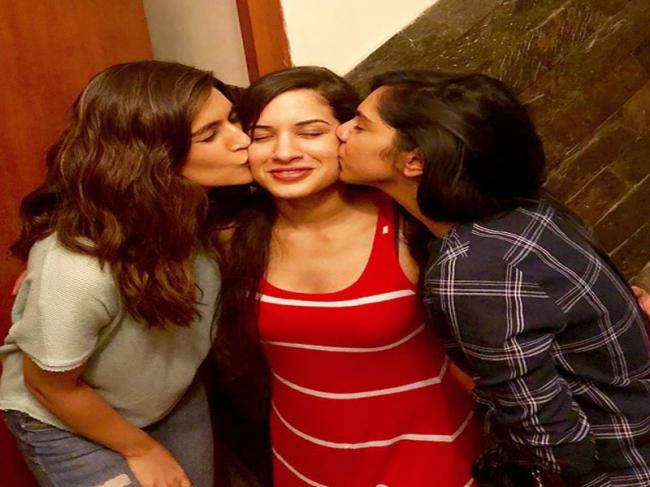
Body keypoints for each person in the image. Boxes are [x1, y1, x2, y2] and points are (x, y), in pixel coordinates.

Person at [336, 70, 650, 485]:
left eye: (360, 126)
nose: (341, 131)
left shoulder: (473, 267)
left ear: (414, 161)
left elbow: (554, 444)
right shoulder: (523, 211)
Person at [218, 66, 484, 487]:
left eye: (310, 132)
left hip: (429, 455)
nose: (284, 152)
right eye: (261, 136)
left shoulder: (408, 222)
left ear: (347, 134)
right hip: (303, 459)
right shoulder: (233, 238)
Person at [0, 60, 251, 487]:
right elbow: (49, 386)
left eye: (234, 119)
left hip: (163, 394)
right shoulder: (80, 269)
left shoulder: (203, 206)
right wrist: (140, 449)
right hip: (65, 412)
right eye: (210, 134)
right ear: (153, 157)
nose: (242, 140)